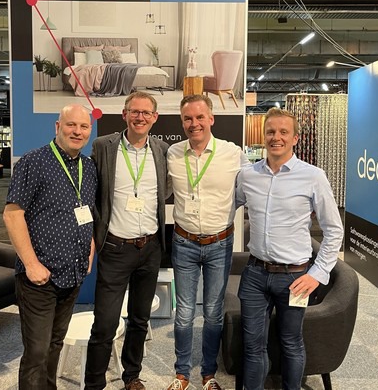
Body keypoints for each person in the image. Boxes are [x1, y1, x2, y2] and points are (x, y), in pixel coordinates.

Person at [235, 108, 344, 390]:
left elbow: (334, 230)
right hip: (255, 274)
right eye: (271, 131)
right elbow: (226, 206)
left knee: (291, 342)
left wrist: (317, 274)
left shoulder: (313, 176)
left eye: (284, 132)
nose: (276, 137)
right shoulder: (248, 175)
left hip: (295, 277)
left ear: (295, 138)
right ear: (263, 136)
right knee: (252, 345)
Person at [3, 104, 97, 390]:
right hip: (39, 277)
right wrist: (31, 264)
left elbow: (86, 211)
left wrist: (90, 247)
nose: (77, 131)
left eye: (83, 126)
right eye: (71, 125)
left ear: (89, 131)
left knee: (55, 343)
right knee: (37, 352)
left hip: (73, 274)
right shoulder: (34, 162)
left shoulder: (88, 167)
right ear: (58, 127)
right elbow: (12, 215)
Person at [85, 91, 169, 390]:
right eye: (135, 111)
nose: (140, 117)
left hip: (150, 248)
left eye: (146, 113)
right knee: (105, 324)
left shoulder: (161, 149)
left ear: (154, 118)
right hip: (115, 248)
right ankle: (94, 384)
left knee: (139, 319)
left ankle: (132, 376)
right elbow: (93, 191)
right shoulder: (103, 146)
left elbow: (165, 189)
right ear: (124, 115)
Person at [166, 94, 249, 390]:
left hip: (220, 243)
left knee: (213, 312)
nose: (194, 123)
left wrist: (225, 209)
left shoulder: (232, 153)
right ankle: (181, 374)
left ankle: (208, 373)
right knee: (184, 312)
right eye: (188, 118)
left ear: (211, 118)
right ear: (182, 122)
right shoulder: (173, 153)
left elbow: (247, 190)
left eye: (200, 117)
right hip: (184, 242)